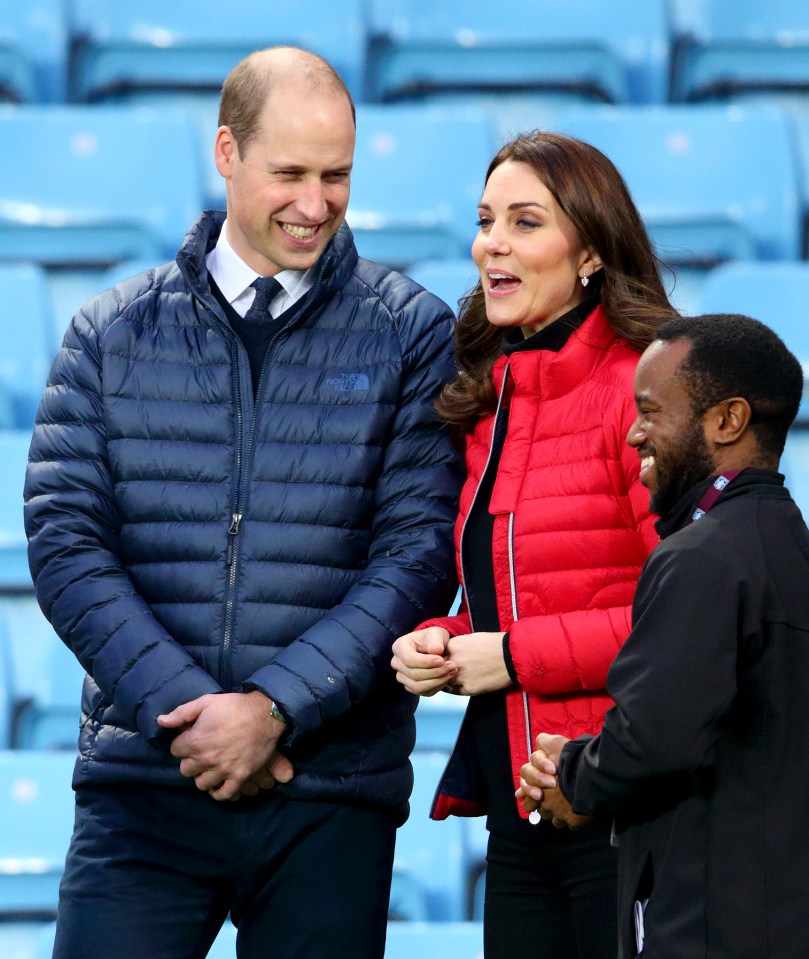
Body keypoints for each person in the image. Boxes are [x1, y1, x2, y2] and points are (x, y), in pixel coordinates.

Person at [24, 46, 461, 959]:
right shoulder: (110, 331)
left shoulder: (413, 331)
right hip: (148, 779)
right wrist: (194, 714)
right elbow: (65, 543)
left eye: (336, 176)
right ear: (227, 154)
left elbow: (418, 554)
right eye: (290, 174)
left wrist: (271, 709)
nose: (315, 204)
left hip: (330, 788)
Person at [391, 131, 679, 958]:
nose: (493, 244)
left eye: (525, 222)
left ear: (589, 250)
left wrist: (511, 656)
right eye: (486, 221)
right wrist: (447, 638)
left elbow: (687, 617)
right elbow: (527, 583)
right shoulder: (490, 397)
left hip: (624, 802)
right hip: (525, 805)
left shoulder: (641, 386)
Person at [518, 313, 808, 958]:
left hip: (707, 920)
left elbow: (650, 742)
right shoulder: (788, 543)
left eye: (650, 411)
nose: (633, 432)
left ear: (727, 421)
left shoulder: (700, 557)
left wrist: (571, 774)